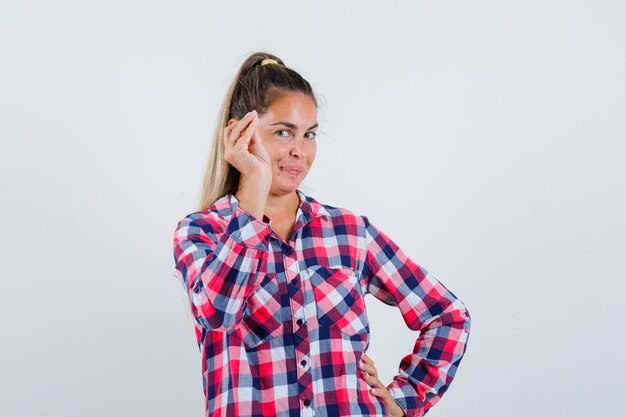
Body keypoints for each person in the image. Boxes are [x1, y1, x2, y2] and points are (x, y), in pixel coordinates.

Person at [172, 52, 471, 417]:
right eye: (283, 132)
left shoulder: (350, 234)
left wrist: (404, 402)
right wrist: (255, 184)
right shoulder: (201, 232)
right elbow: (218, 314)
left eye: (309, 134)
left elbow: (448, 316)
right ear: (241, 134)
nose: (300, 150)